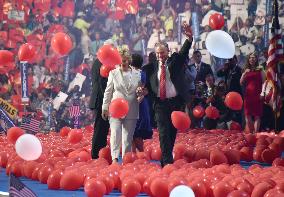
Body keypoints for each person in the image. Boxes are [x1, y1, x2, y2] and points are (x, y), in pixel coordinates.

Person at [145, 23, 193, 167]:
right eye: (158, 53)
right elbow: (145, 81)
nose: (160, 55)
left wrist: (189, 38)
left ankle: (166, 157)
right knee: (163, 131)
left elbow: (184, 52)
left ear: (168, 51)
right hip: (160, 103)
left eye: (163, 52)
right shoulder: (151, 67)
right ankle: (167, 161)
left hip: (175, 102)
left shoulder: (175, 61)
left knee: (172, 132)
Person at [102, 48, 142, 163]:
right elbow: (108, 92)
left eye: (124, 60)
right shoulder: (113, 73)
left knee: (128, 138)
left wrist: (140, 93)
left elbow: (139, 92)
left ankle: (126, 160)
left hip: (132, 108)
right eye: (120, 61)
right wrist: (105, 107)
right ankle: (114, 158)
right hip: (115, 109)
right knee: (115, 133)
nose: (122, 63)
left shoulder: (137, 74)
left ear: (129, 60)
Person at [89, 41, 112, 159]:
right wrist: (107, 102)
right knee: (100, 127)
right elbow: (103, 84)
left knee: (102, 127)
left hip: (100, 99)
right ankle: (96, 154)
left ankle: (99, 152)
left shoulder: (99, 61)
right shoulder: (102, 62)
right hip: (101, 100)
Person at [131, 54, 152, 152]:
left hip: (138, 105)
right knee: (133, 133)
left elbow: (139, 92)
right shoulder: (141, 73)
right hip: (137, 105)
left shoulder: (139, 74)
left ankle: (139, 155)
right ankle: (134, 156)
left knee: (136, 133)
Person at [240, 52, 265, 133]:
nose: (252, 59)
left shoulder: (260, 69)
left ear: (256, 59)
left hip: (258, 94)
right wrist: (244, 73)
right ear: (248, 59)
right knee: (247, 115)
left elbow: (264, 82)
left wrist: (263, 93)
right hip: (248, 95)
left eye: (254, 57)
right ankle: (251, 133)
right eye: (250, 57)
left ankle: (256, 134)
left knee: (257, 115)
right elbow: (241, 82)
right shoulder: (245, 70)